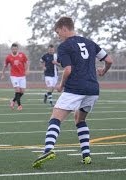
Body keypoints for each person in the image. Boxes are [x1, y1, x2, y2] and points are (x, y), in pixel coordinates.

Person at [32, 17, 113, 168]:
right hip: (93, 89)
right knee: (80, 119)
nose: (58, 36)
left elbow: (68, 69)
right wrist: (103, 71)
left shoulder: (64, 46)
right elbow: (109, 60)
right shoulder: (89, 42)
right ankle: (86, 156)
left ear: (64, 28)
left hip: (75, 88)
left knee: (55, 117)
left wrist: (61, 85)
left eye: (58, 32)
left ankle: (48, 149)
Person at [0, 43, 30, 111]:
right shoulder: (8, 57)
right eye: (13, 49)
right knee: (17, 90)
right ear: (11, 49)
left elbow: (27, 62)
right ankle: (19, 105)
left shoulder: (22, 55)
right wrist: (2, 74)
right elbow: (5, 66)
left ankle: (13, 101)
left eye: (15, 49)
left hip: (22, 76)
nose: (14, 50)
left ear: (17, 49)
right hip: (14, 76)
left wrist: (27, 69)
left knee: (22, 92)